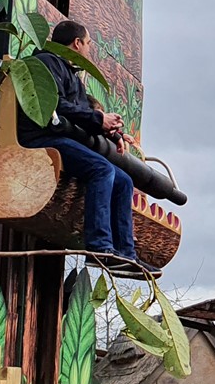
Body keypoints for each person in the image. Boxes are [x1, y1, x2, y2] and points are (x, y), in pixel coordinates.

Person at [16, 20, 139, 266]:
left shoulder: (70, 73)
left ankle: (127, 254)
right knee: (101, 170)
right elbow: (54, 105)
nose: (88, 50)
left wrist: (112, 133)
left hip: (66, 138)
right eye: (88, 44)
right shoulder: (45, 64)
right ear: (77, 43)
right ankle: (100, 248)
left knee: (124, 181)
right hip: (43, 137)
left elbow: (83, 115)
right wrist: (97, 119)